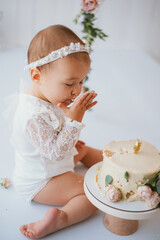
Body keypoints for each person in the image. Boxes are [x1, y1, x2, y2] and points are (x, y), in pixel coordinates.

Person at [10, 25, 103, 239]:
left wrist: (69, 127)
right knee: (92, 194)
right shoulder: (32, 115)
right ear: (36, 76)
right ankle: (61, 219)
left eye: (81, 81)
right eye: (70, 82)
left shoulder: (47, 95)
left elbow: (58, 133)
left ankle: (118, 161)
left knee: (84, 150)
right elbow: (56, 153)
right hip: (41, 180)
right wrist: (74, 119)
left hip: (53, 160)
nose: (76, 90)